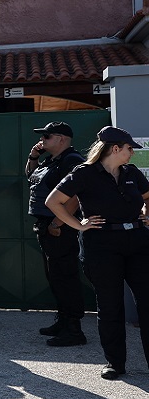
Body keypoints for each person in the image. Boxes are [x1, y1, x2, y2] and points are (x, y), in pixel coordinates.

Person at [46, 125, 149, 381]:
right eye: (129, 149)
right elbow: (52, 202)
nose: (132, 154)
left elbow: (148, 196)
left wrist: (147, 215)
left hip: (137, 242)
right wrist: (78, 225)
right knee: (110, 305)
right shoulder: (84, 173)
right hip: (102, 245)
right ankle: (115, 363)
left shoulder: (131, 173)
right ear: (115, 149)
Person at [25, 121, 87, 347]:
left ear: (61, 139)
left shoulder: (72, 161)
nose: (42, 140)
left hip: (60, 228)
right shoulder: (52, 160)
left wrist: (58, 222)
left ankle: (74, 330)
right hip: (47, 226)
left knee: (65, 277)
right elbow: (31, 178)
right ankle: (63, 320)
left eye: (47, 136)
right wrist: (33, 157)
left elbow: (76, 196)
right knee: (55, 277)